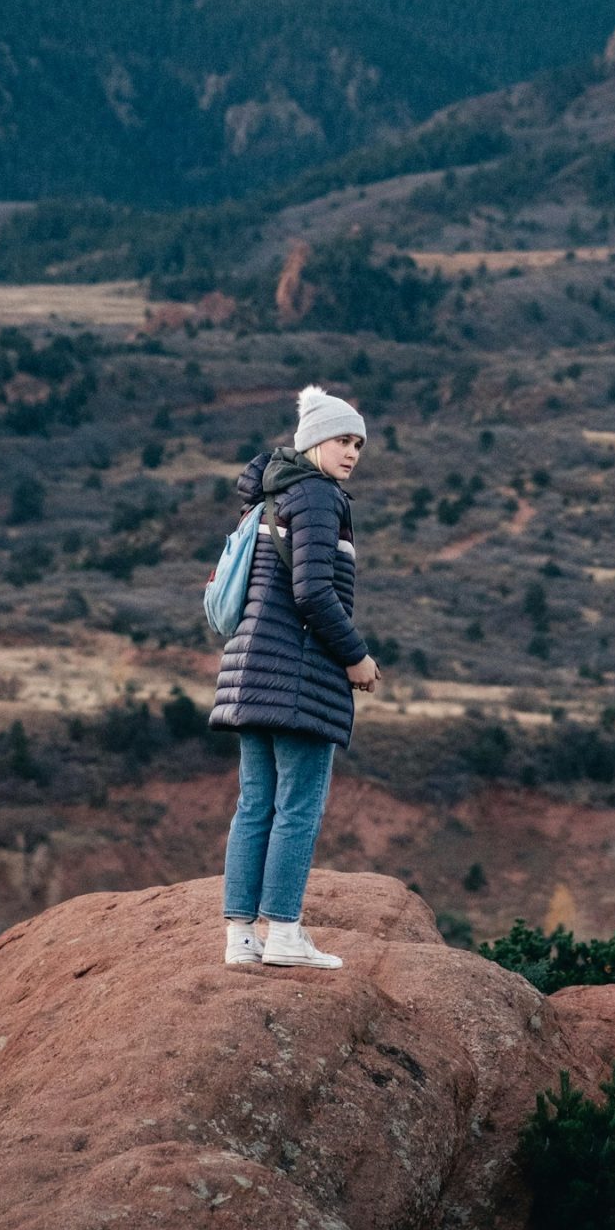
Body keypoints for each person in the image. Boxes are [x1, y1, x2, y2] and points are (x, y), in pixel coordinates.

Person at [210, 384, 380, 968]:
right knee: (298, 806)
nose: (352, 452)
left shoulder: (269, 494)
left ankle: (241, 938)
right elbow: (312, 590)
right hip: (299, 671)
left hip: (251, 668)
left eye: (358, 442)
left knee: (254, 804)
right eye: (341, 439)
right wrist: (356, 657)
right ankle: (283, 933)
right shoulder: (317, 497)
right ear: (313, 442)